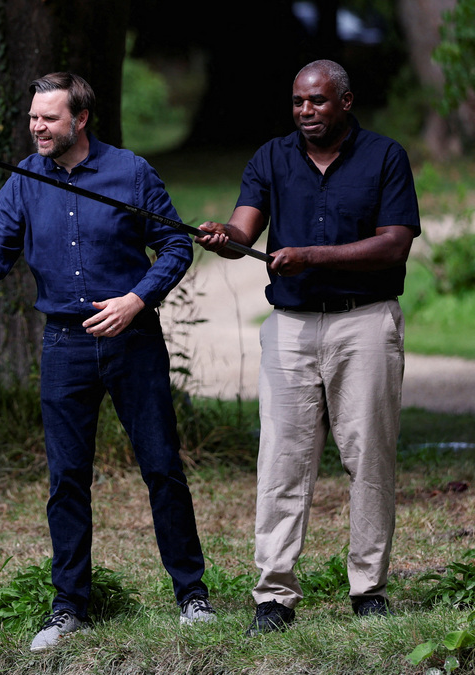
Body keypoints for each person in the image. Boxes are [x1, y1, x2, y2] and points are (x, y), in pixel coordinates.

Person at [0, 72, 214, 653]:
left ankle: (192, 595)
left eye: (48, 118)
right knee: (67, 478)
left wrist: (136, 299)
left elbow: (175, 245)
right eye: (32, 118)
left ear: (81, 119)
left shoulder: (131, 173)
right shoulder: (24, 181)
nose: (37, 128)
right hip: (65, 346)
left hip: (132, 337)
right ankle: (69, 606)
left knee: (162, 467)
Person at [196, 59, 419, 635]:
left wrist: (311, 254)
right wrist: (226, 237)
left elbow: (394, 245)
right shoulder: (271, 157)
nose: (304, 112)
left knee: (368, 458)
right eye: (297, 101)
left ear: (345, 102)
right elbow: (245, 228)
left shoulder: (385, 157)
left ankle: (368, 589)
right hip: (290, 328)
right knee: (281, 461)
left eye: (316, 101)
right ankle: (273, 596)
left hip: (364, 323)